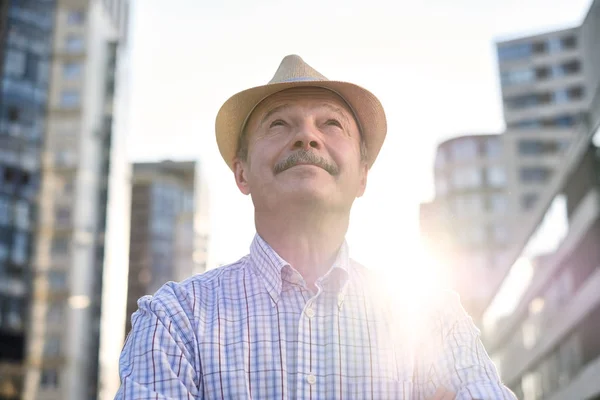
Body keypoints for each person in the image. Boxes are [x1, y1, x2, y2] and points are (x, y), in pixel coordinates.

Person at [115, 55, 516, 400]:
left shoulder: (433, 317)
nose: (306, 136)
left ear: (362, 176)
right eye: (278, 125)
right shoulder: (175, 320)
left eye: (331, 124)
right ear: (241, 173)